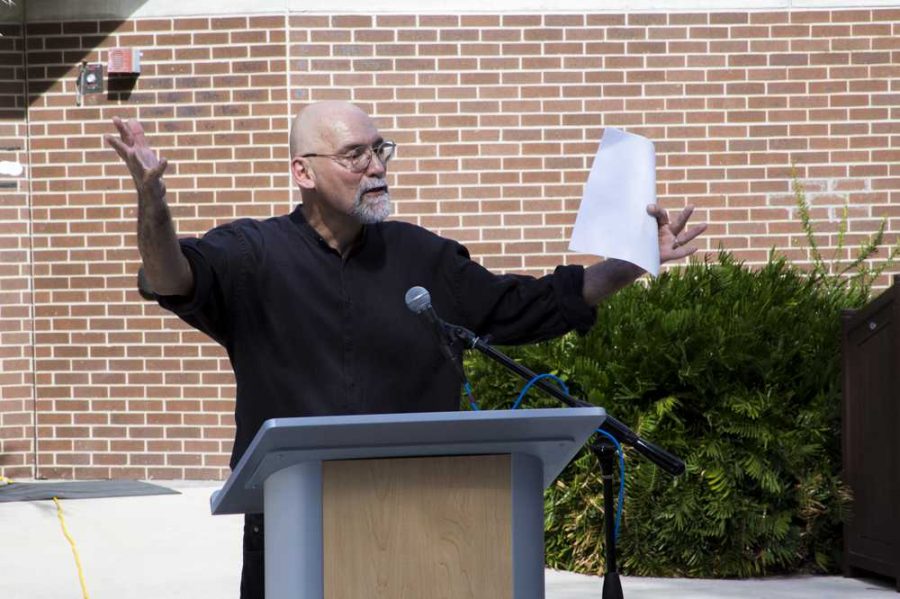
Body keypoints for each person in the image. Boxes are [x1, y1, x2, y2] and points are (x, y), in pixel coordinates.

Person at [105, 100, 705, 599]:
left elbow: (531, 304)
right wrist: (151, 201)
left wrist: (631, 263)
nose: (375, 166)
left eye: (379, 149)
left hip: (428, 526)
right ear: (303, 172)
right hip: (293, 526)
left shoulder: (423, 258)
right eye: (354, 154)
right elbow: (171, 276)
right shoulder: (253, 255)